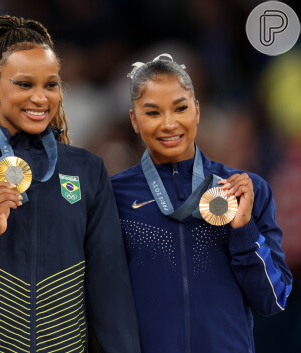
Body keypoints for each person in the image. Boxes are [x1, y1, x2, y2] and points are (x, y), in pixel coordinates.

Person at [0, 15, 140, 353]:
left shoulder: (87, 170)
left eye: (50, 85)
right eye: (24, 84)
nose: (40, 98)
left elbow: (109, 287)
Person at [110, 53, 293, 353]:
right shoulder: (114, 195)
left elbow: (273, 300)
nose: (169, 124)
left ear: (196, 110)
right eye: (153, 113)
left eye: (180, 108)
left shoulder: (246, 189)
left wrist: (244, 229)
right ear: (134, 119)